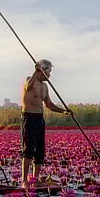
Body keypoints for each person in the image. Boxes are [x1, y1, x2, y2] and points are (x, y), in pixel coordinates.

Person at [19, 59, 72, 187]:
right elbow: (28, 87)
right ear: (41, 71)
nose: (49, 75)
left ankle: (35, 180)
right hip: (29, 118)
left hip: (39, 119)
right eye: (48, 72)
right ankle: (24, 181)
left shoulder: (45, 86)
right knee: (29, 149)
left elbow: (49, 105)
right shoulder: (30, 80)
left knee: (40, 151)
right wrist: (35, 70)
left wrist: (64, 111)